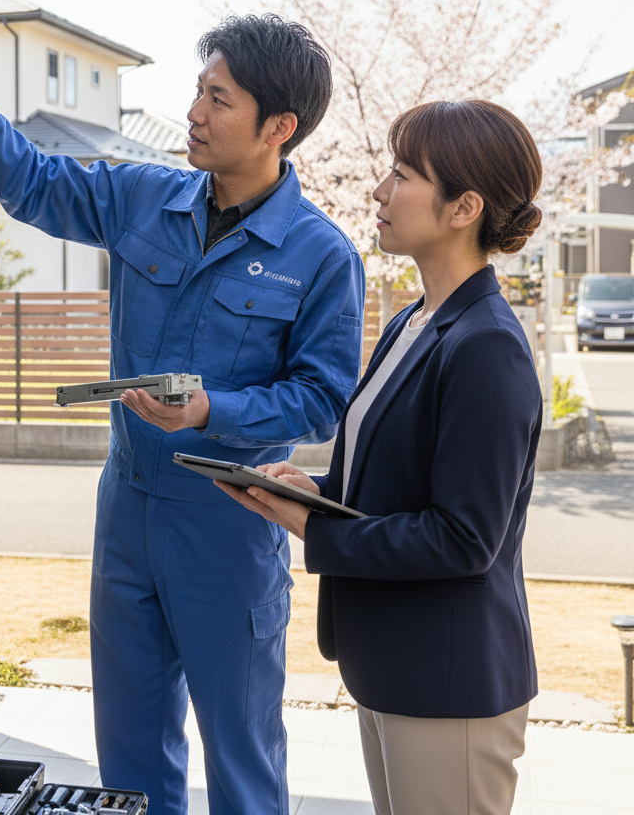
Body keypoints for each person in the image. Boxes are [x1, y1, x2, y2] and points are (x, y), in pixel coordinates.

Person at [0, 9, 365, 815]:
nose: (195, 112)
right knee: (131, 755)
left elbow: (321, 400)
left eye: (219, 98)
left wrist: (215, 408)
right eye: (198, 91)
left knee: (242, 755)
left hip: (228, 525)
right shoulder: (147, 197)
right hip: (127, 511)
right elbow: (36, 181)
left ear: (279, 126)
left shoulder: (323, 256)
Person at [218, 99, 543, 815]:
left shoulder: (485, 345)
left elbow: (463, 538)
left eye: (401, 176)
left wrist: (318, 529)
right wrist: (316, 489)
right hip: (397, 667)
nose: (378, 192)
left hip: (449, 681)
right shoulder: (415, 320)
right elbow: (402, 482)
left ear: (464, 207)